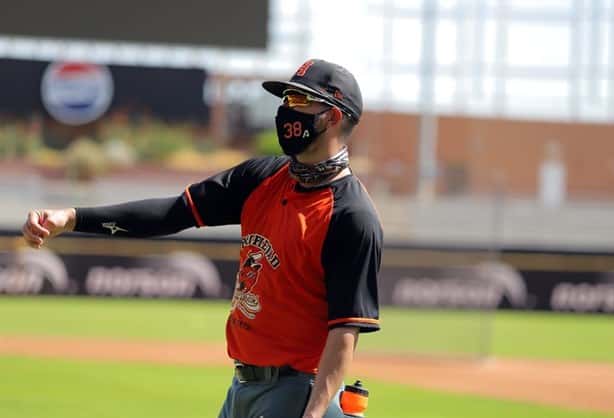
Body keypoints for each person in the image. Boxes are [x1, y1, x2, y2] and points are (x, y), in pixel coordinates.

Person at [22, 59, 382, 418]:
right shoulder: (261, 177)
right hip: (242, 388)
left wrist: (315, 413)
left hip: (295, 392)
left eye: (301, 102)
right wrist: (72, 217)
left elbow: (345, 330)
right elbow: (171, 213)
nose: (287, 110)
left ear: (333, 117)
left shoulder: (350, 215)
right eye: (286, 99)